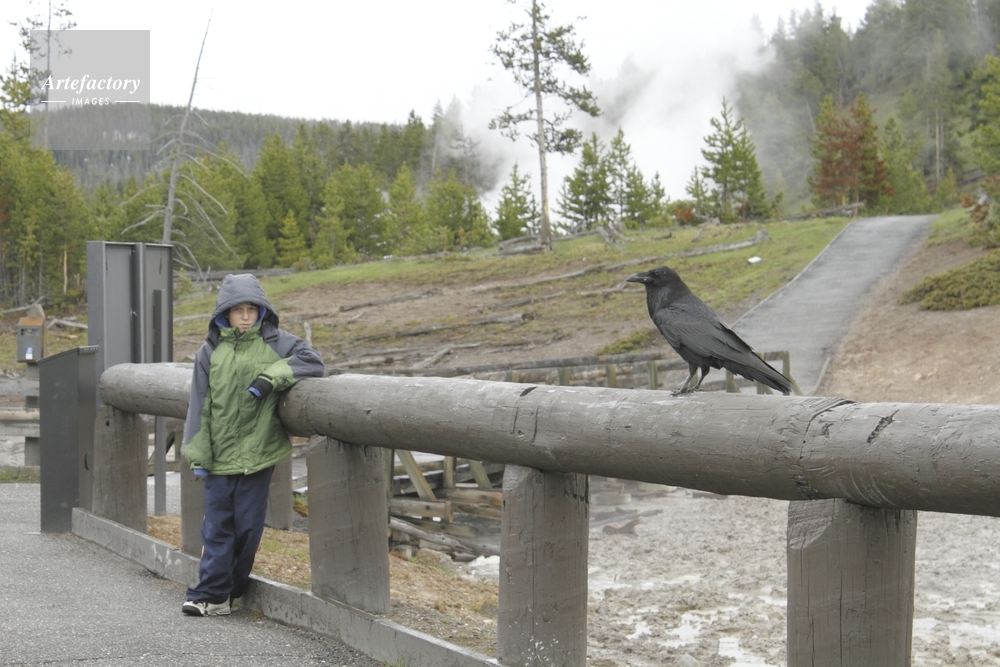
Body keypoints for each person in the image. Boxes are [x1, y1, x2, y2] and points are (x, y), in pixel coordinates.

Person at [181, 273, 324, 617]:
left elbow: (313, 362)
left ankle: (230, 589)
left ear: (261, 311)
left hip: (258, 455)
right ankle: (209, 593)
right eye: (237, 310)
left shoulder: (278, 343)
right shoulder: (209, 351)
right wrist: (198, 452)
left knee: (248, 529)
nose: (245, 317)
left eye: (251, 309)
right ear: (225, 314)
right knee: (217, 528)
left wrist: (270, 378)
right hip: (219, 456)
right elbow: (199, 404)